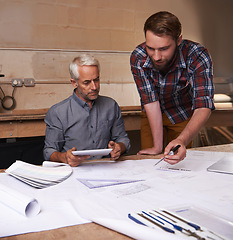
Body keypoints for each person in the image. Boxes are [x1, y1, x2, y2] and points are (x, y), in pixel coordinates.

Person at [130, 11, 215, 164]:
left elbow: (203, 104)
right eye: (151, 48)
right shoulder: (138, 57)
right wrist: (156, 147)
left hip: (182, 113)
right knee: (150, 163)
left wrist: (182, 140)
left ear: (178, 40)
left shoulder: (197, 55)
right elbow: (150, 100)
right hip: (152, 114)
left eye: (163, 49)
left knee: (179, 162)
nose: (156, 56)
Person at [43, 54, 130, 167]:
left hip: (106, 168)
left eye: (96, 80)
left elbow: (123, 139)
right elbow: (48, 151)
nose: (94, 87)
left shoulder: (111, 106)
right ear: (74, 83)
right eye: (87, 82)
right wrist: (64, 157)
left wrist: (119, 148)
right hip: (74, 171)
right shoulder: (58, 112)